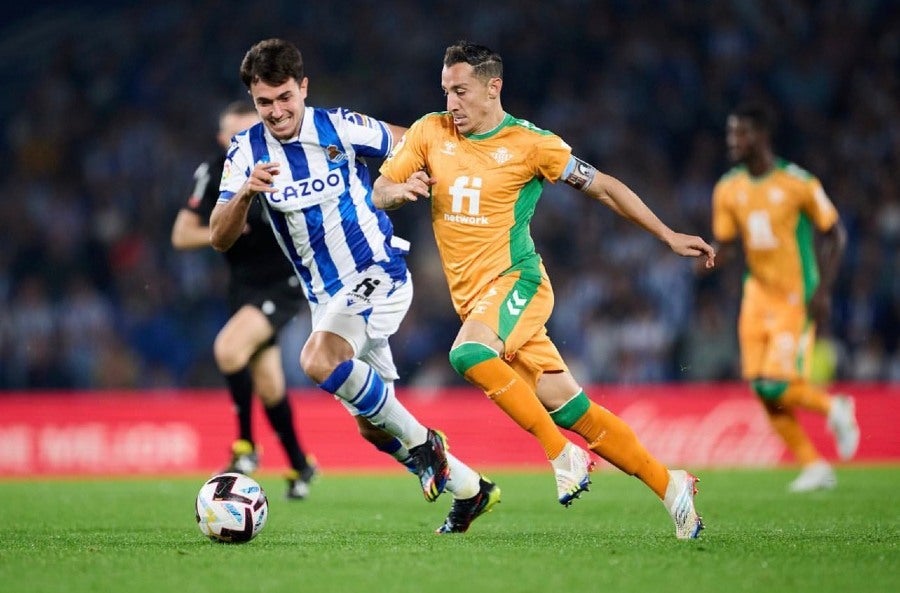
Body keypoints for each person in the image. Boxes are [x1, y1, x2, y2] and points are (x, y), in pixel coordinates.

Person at [373, 40, 713, 539]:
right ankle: (672, 486)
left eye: (462, 91)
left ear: (494, 88)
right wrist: (396, 193)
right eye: (446, 91)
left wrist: (666, 234)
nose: (452, 103)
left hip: (519, 284)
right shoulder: (429, 132)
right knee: (574, 408)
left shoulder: (533, 145)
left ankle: (560, 453)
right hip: (478, 301)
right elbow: (380, 189)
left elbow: (604, 187)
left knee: (467, 354)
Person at [209, 38, 499, 534]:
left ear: (302, 87)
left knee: (316, 360)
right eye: (264, 102)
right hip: (327, 300)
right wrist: (245, 194)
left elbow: (415, 142)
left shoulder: (339, 126)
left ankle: (429, 446)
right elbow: (219, 235)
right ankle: (471, 490)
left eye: (285, 97)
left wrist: (407, 182)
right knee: (371, 425)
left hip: (377, 272)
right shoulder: (246, 152)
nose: (276, 112)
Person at [705, 102, 859, 492]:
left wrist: (823, 290)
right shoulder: (728, 189)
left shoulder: (797, 183)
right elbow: (727, 241)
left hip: (794, 296)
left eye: (740, 133)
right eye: (730, 133)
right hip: (755, 294)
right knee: (760, 387)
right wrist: (708, 256)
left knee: (776, 384)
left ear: (761, 136)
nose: (733, 141)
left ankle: (835, 407)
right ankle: (813, 466)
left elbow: (835, 233)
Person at [171, 100, 317, 500]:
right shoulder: (214, 171)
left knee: (228, 348)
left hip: (283, 283)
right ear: (222, 140)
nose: (244, 140)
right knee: (269, 384)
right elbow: (183, 234)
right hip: (244, 287)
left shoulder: (286, 162)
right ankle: (301, 465)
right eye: (234, 135)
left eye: (250, 131)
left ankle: (245, 449)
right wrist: (224, 231)